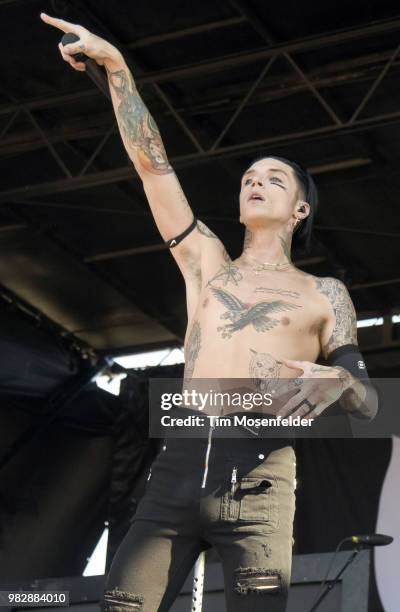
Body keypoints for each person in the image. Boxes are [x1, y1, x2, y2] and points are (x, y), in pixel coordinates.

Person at [41, 13, 378, 612]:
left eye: (275, 179)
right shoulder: (208, 264)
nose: (257, 182)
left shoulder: (324, 293)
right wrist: (117, 69)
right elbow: (153, 166)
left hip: (260, 473)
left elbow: (370, 402)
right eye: (250, 176)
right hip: (177, 465)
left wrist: (342, 381)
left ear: (300, 210)